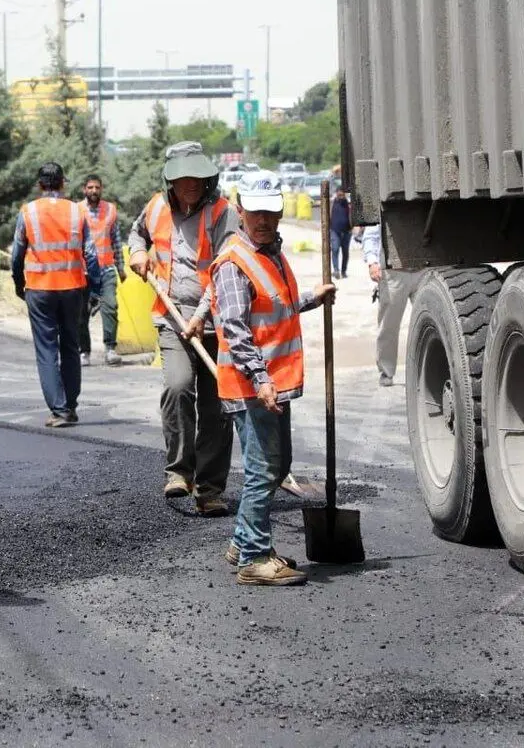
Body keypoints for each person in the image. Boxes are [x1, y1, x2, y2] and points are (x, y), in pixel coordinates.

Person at [211, 174, 335, 585]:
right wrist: (261, 378)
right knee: (264, 469)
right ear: (240, 210)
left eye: (269, 211)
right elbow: (234, 327)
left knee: (278, 465)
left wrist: (311, 300)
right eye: (255, 211)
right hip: (252, 386)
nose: (263, 219)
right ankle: (253, 558)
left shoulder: (270, 254)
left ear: (280, 211)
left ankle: (243, 539)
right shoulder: (235, 261)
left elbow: (276, 308)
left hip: (271, 383)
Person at [128, 141, 239, 516]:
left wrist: (202, 316)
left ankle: (209, 489)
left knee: (217, 407)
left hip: (218, 322)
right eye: (182, 177)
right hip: (172, 317)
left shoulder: (224, 213)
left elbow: (227, 267)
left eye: (197, 176)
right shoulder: (156, 206)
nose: (191, 183)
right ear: (170, 180)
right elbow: (136, 235)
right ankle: (179, 472)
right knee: (177, 387)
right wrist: (138, 253)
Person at [11, 162, 103, 428]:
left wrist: (19, 284)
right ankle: (70, 407)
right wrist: (95, 289)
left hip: (39, 289)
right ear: (63, 183)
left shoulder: (27, 212)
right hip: (73, 288)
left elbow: (17, 255)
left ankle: (60, 410)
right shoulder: (77, 212)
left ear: (40, 185)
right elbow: (91, 254)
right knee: (70, 347)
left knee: (47, 350)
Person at [362, 223, 422, 387]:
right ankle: (386, 372)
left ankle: (426, 371)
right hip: (394, 274)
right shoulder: (381, 199)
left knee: (429, 323)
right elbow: (371, 235)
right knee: (389, 326)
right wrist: (373, 262)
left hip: (423, 270)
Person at [77, 174, 127, 367]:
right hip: (83, 271)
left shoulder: (110, 210)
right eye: (90, 187)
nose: (94, 191)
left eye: (97, 187)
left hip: (106, 269)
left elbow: (115, 240)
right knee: (81, 313)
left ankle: (110, 349)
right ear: (84, 189)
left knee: (111, 307)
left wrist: (120, 267)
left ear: (101, 189)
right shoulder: (77, 210)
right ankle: (84, 352)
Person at [330, 188, 353, 279]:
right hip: (335, 231)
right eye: (339, 195)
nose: (341, 197)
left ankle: (343, 271)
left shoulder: (348, 204)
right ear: (336, 194)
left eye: (342, 195)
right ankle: (336, 270)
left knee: (345, 252)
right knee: (335, 249)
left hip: (347, 232)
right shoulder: (332, 203)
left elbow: (352, 215)